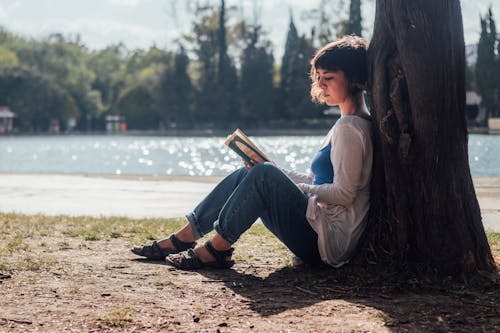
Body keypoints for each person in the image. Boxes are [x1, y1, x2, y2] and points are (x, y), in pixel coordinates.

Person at [131, 35, 373, 270]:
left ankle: (217, 249)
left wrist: (289, 185)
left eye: (328, 77)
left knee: (263, 174)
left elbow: (344, 194)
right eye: (318, 77)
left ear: (353, 79)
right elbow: (316, 181)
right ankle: (185, 236)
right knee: (252, 172)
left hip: (327, 244)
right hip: (317, 227)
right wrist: (275, 171)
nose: (320, 84)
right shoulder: (345, 124)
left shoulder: (349, 128)